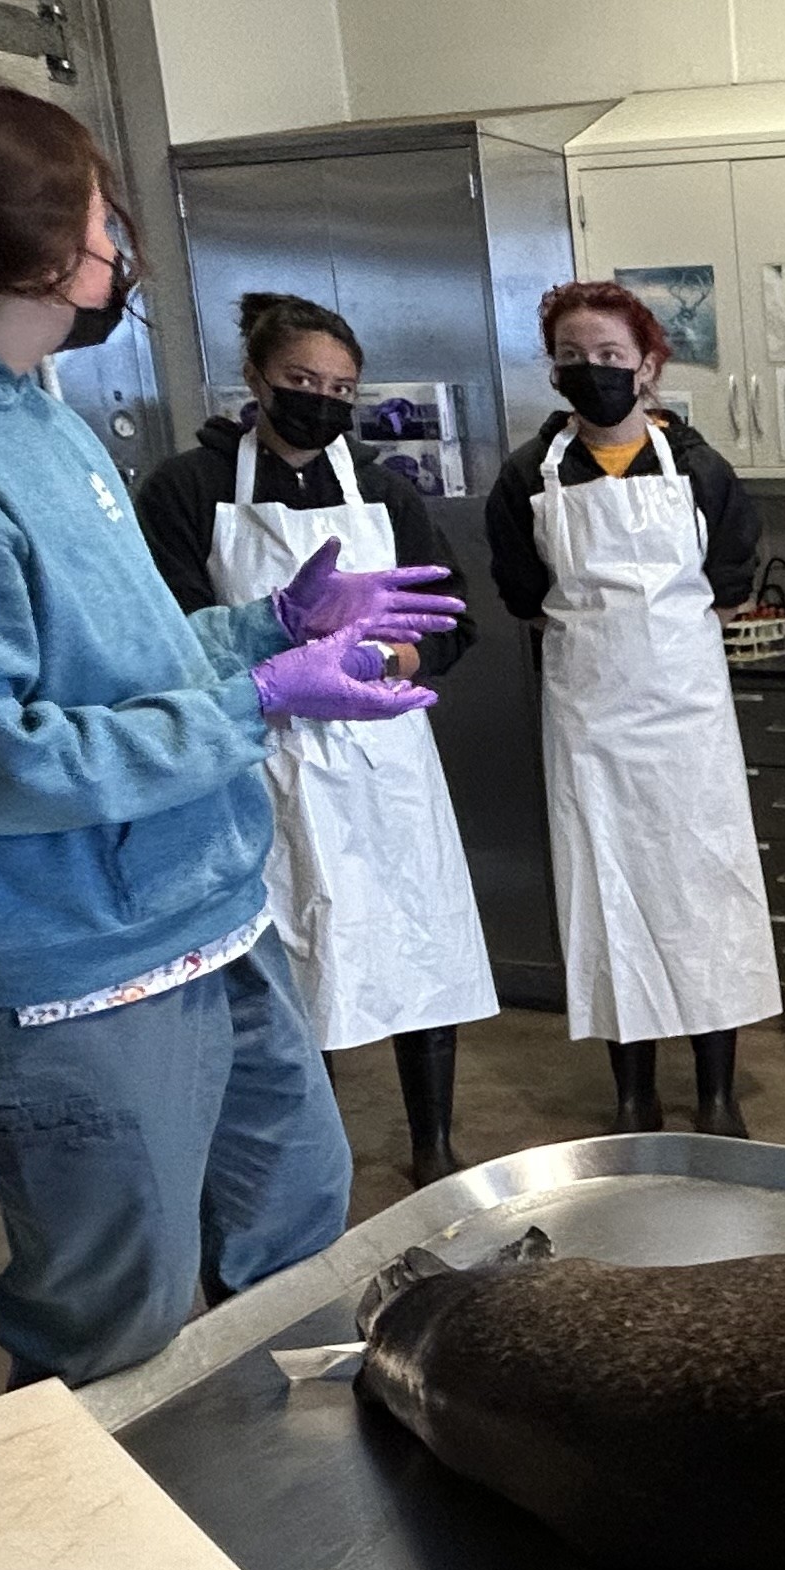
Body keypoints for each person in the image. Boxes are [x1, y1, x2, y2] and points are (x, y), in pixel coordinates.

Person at [0, 73, 458, 1386]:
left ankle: (281, 1528)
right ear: (51, 249)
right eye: (106, 216)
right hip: (65, 963)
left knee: (295, 1235)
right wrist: (262, 702)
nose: (121, 246)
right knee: (116, 1320)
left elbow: (122, 670)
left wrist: (271, 627)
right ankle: (107, 1565)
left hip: (202, 912)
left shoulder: (17, 407)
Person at [139, 293, 495, 1187]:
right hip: (265, 749)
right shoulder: (187, 489)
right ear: (254, 379)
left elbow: (454, 623)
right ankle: (312, 1145)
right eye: (301, 381)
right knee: (295, 952)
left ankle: (433, 1142)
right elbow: (169, 634)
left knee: (418, 940)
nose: (322, 401)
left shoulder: (383, 490)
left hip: (385, 758)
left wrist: (390, 657)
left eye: (342, 388)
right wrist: (284, 651)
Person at [484, 281, 778, 1136]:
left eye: (611, 357)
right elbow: (524, 594)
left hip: (686, 717)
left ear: (649, 366)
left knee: (705, 896)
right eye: (573, 358)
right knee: (606, 897)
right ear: (554, 371)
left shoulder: (700, 469)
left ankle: (717, 1094)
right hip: (588, 722)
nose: (593, 372)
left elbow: (727, 584)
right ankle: (633, 1092)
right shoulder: (527, 476)